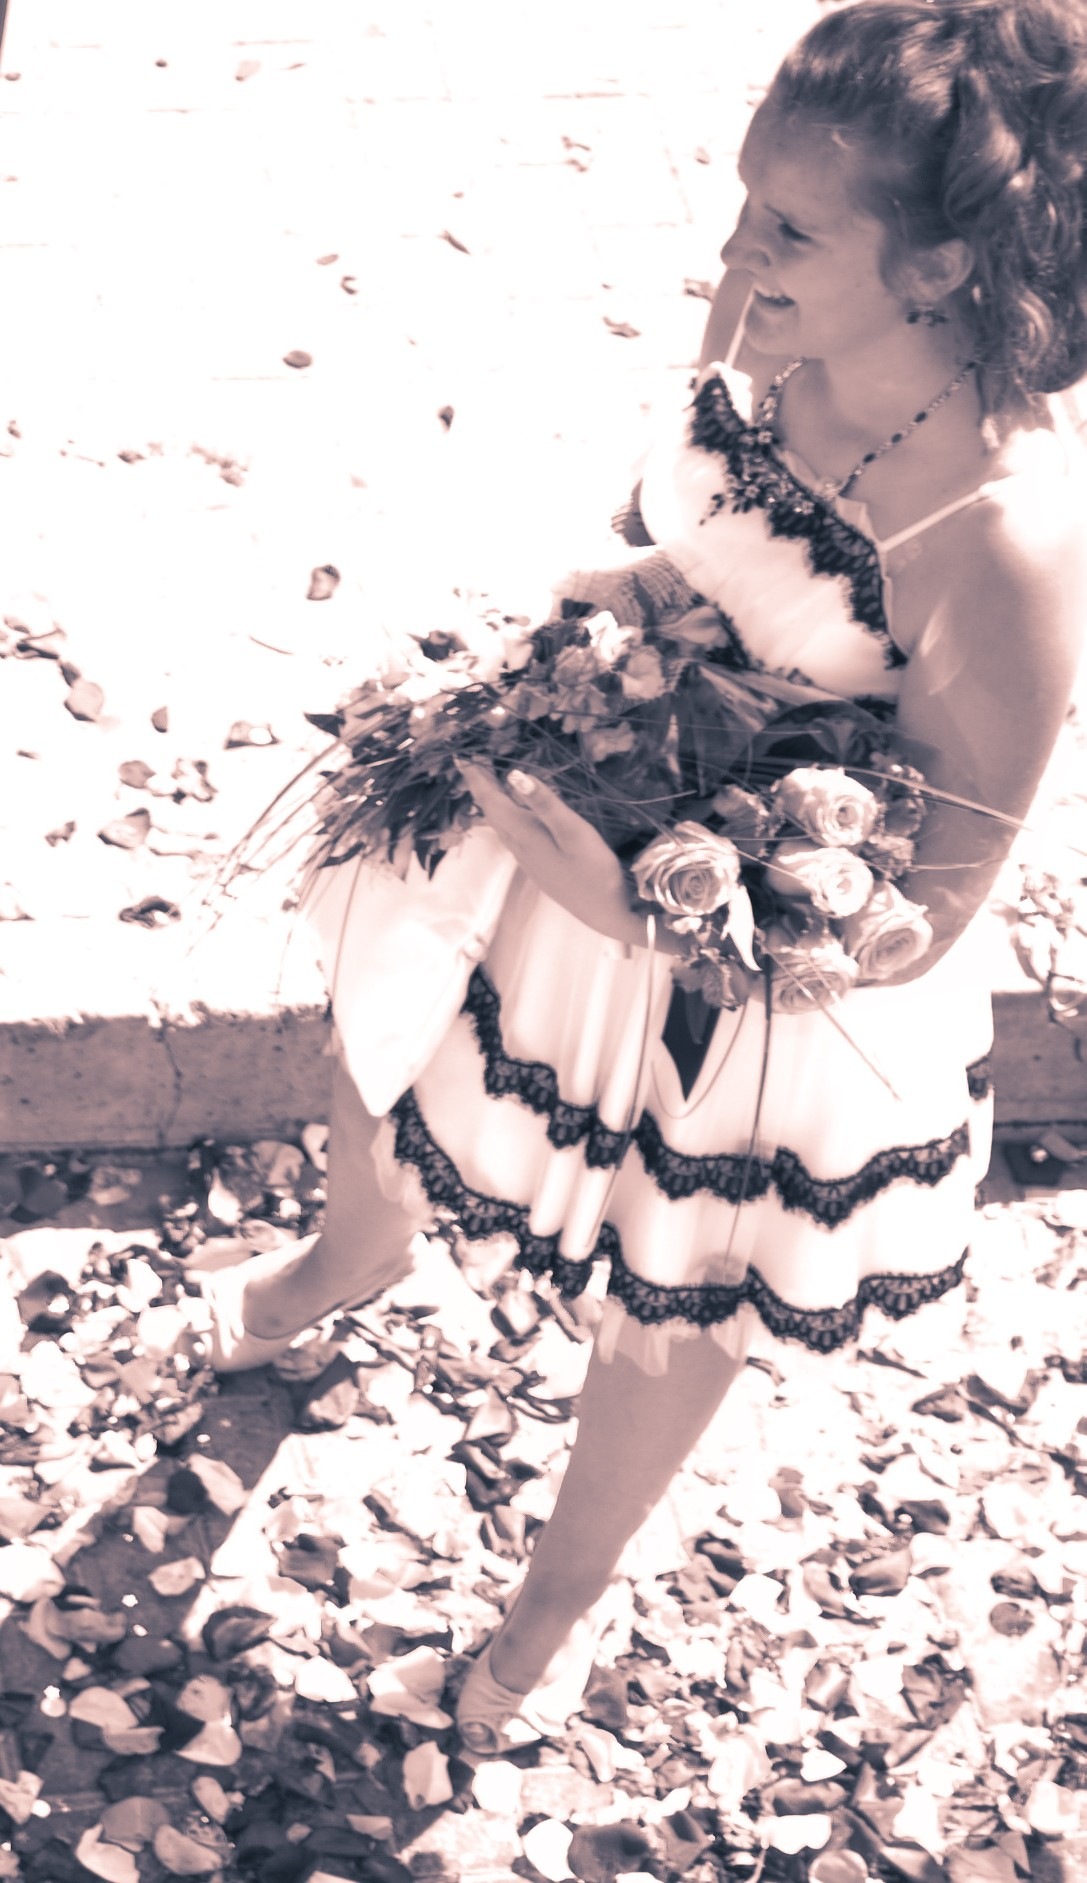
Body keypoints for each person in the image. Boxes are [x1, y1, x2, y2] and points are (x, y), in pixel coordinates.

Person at [199, 0, 1087, 1757]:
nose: (736, 256)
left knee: (669, 1287)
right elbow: (676, 522)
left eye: (790, 230)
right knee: (391, 1021)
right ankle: (341, 1263)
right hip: (579, 810)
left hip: (750, 987)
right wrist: (622, 612)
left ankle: (554, 1605)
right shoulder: (767, 333)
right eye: (746, 202)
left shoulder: (1011, 542)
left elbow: (926, 911)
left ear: (940, 269)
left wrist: (640, 911)